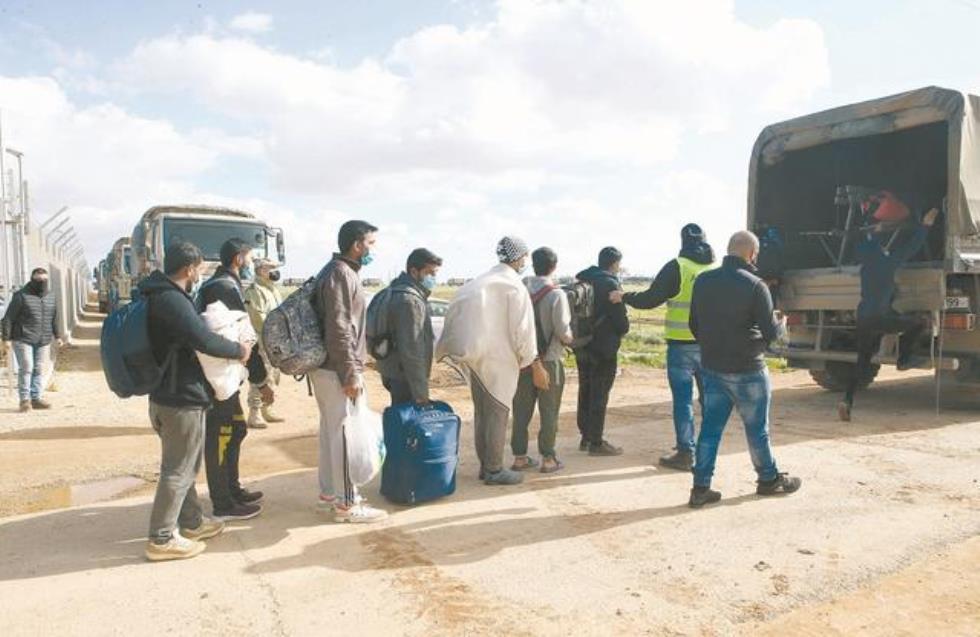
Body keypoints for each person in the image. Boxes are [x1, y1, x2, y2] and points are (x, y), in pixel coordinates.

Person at [139, 242, 252, 561]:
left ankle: (191, 523)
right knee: (178, 468)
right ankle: (161, 538)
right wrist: (238, 351)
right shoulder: (171, 299)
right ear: (189, 269)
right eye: (200, 268)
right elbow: (202, 340)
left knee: (183, 464)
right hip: (180, 397)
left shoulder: (155, 294)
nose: (202, 274)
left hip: (167, 393)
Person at [687, 231, 801, 508]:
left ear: (728, 250)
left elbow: (694, 324)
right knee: (756, 430)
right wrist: (781, 322)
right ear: (752, 254)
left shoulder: (703, 281)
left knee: (710, 431)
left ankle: (700, 488)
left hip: (713, 368)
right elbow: (770, 332)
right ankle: (768, 479)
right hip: (748, 369)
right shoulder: (755, 285)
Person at [437, 236, 549, 486]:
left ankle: (485, 465)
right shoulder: (513, 286)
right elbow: (523, 330)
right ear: (519, 258)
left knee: (483, 413)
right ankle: (495, 469)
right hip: (498, 359)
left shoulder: (477, 283)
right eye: (524, 258)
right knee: (498, 412)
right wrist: (534, 363)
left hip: (472, 356)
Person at [611, 224, 714, 470]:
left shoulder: (677, 266)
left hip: (681, 347)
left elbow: (650, 299)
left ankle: (685, 453)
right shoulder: (714, 268)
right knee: (710, 400)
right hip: (711, 345)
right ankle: (708, 451)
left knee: (683, 401)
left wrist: (623, 297)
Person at [312, 220, 388, 522]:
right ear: (356, 245)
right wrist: (350, 372)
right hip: (337, 370)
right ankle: (347, 503)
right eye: (370, 244)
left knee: (331, 432)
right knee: (345, 434)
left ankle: (329, 493)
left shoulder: (335, 272)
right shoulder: (341, 274)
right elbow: (340, 328)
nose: (372, 250)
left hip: (329, 368)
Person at [838, 207, 940, 421]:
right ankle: (903, 358)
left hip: (864, 317)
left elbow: (864, 243)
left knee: (862, 361)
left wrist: (872, 231)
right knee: (918, 323)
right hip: (881, 318)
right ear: (880, 248)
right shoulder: (887, 262)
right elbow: (911, 247)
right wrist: (926, 226)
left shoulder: (866, 265)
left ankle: (847, 400)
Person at [197, 239, 273, 521]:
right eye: (251, 258)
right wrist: (261, 380)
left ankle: (232, 489)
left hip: (226, 376)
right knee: (222, 437)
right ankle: (223, 503)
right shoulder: (223, 288)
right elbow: (243, 338)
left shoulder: (220, 284)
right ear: (239, 258)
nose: (252, 263)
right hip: (218, 380)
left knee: (237, 430)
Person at [511, 247, 574, 474]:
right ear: (554, 266)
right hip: (550, 361)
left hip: (523, 361)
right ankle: (548, 458)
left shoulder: (519, 291)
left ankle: (519, 457)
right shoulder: (557, 294)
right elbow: (563, 332)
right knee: (549, 411)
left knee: (520, 411)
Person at [575, 247, 630, 456]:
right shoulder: (610, 283)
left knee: (585, 390)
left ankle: (585, 437)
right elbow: (621, 322)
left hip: (583, 344)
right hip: (604, 348)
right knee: (600, 394)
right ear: (614, 263)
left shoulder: (585, 280)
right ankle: (596, 442)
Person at [376, 248, 443, 406]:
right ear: (414, 271)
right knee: (410, 426)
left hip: (393, 373)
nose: (433, 278)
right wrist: (421, 393)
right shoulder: (410, 301)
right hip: (406, 379)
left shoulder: (393, 291)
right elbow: (412, 350)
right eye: (430, 273)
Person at [1, 268, 64, 412]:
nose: (41, 283)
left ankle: (36, 398)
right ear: (32, 279)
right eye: (38, 280)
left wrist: (58, 336)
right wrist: (6, 338)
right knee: (27, 367)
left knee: (39, 368)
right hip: (23, 338)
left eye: (44, 280)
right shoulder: (21, 296)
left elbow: (54, 318)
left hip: (43, 339)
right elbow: (8, 318)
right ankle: (24, 400)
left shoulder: (51, 296)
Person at [244, 258, 286, 428]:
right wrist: (273, 330)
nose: (275, 271)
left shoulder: (272, 289)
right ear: (261, 270)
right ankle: (254, 413)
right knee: (260, 375)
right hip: (262, 339)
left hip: (274, 340)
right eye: (271, 268)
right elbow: (257, 316)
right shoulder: (255, 291)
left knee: (273, 375)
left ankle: (267, 409)